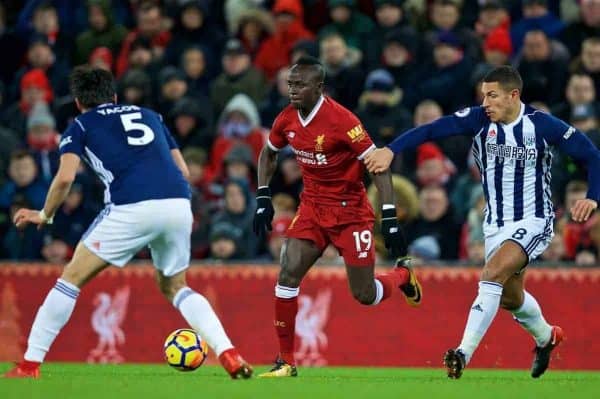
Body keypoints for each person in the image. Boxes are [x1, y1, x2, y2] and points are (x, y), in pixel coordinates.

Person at [3, 67, 252, 380]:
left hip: (130, 205)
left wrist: (45, 214)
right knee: (176, 285)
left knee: (69, 280)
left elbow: (66, 176)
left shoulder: (79, 124)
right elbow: (184, 171)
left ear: (79, 102)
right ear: (115, 96)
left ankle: (29, 365)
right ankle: (228, 351)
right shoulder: (151, 116)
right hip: (177, 203)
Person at [364, 65, 600, 379]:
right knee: (510, 297)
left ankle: (462, 353)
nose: (485, 102)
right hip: (495, 223)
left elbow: (592, 156)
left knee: (491, 274)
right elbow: (433, 129)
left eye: (492, 95)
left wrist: (593, 196)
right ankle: (547, 337)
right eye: (483, 95)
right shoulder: (479, 120)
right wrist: (392, 150)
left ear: (514, 95)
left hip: (534, 219)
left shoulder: (542, 126)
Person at [253, 56, 423, 378]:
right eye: (290, 84)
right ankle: (286, 361)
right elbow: (269, 153)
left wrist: (388, 217)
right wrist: (263, 194)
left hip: (351, 213)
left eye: (300, 85)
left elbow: (378, 165)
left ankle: (402, 277)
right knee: (287, 274)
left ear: (318, 87)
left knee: (364, 295)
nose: (292, 90)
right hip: (313, 208)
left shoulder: (343, 121)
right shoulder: (286, 119)